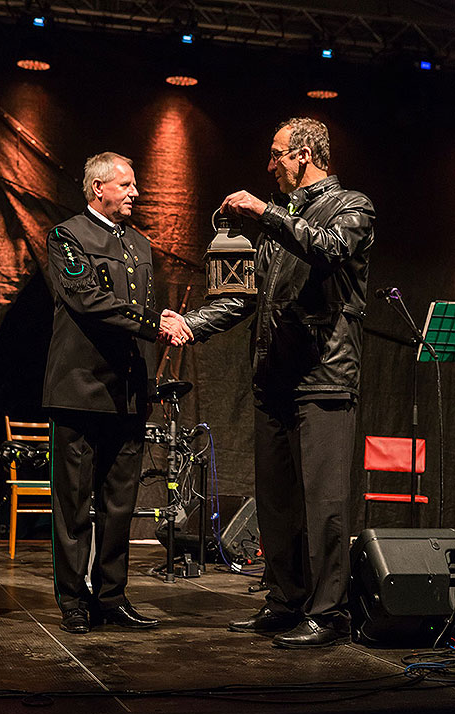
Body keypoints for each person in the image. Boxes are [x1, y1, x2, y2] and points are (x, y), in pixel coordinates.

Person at [170, 117, 375, 648]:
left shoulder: (352, 207)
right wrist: (192, 325)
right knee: (277, 502)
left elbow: (327, 249)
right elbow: (245, 296)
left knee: (324, 501)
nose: (270, 165)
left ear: (305, 154)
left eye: (277, 154)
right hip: (275, 378)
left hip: (324, 377)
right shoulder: (278, 222)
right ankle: (284, 601)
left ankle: (329, 613)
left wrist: (264, 213)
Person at [43, 151, 192, 634]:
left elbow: (142, 309)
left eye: (134, 185)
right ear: (97, 189)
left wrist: (160, 337)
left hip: (127, 392)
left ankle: (111, 596)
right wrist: (157, 325)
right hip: (78, 391)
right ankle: (73, 600)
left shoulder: (139, 245)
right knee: (73, 503)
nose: (135, 193)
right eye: (125, 185)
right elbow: (88, 298)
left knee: (119, 503)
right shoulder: (67, 236)